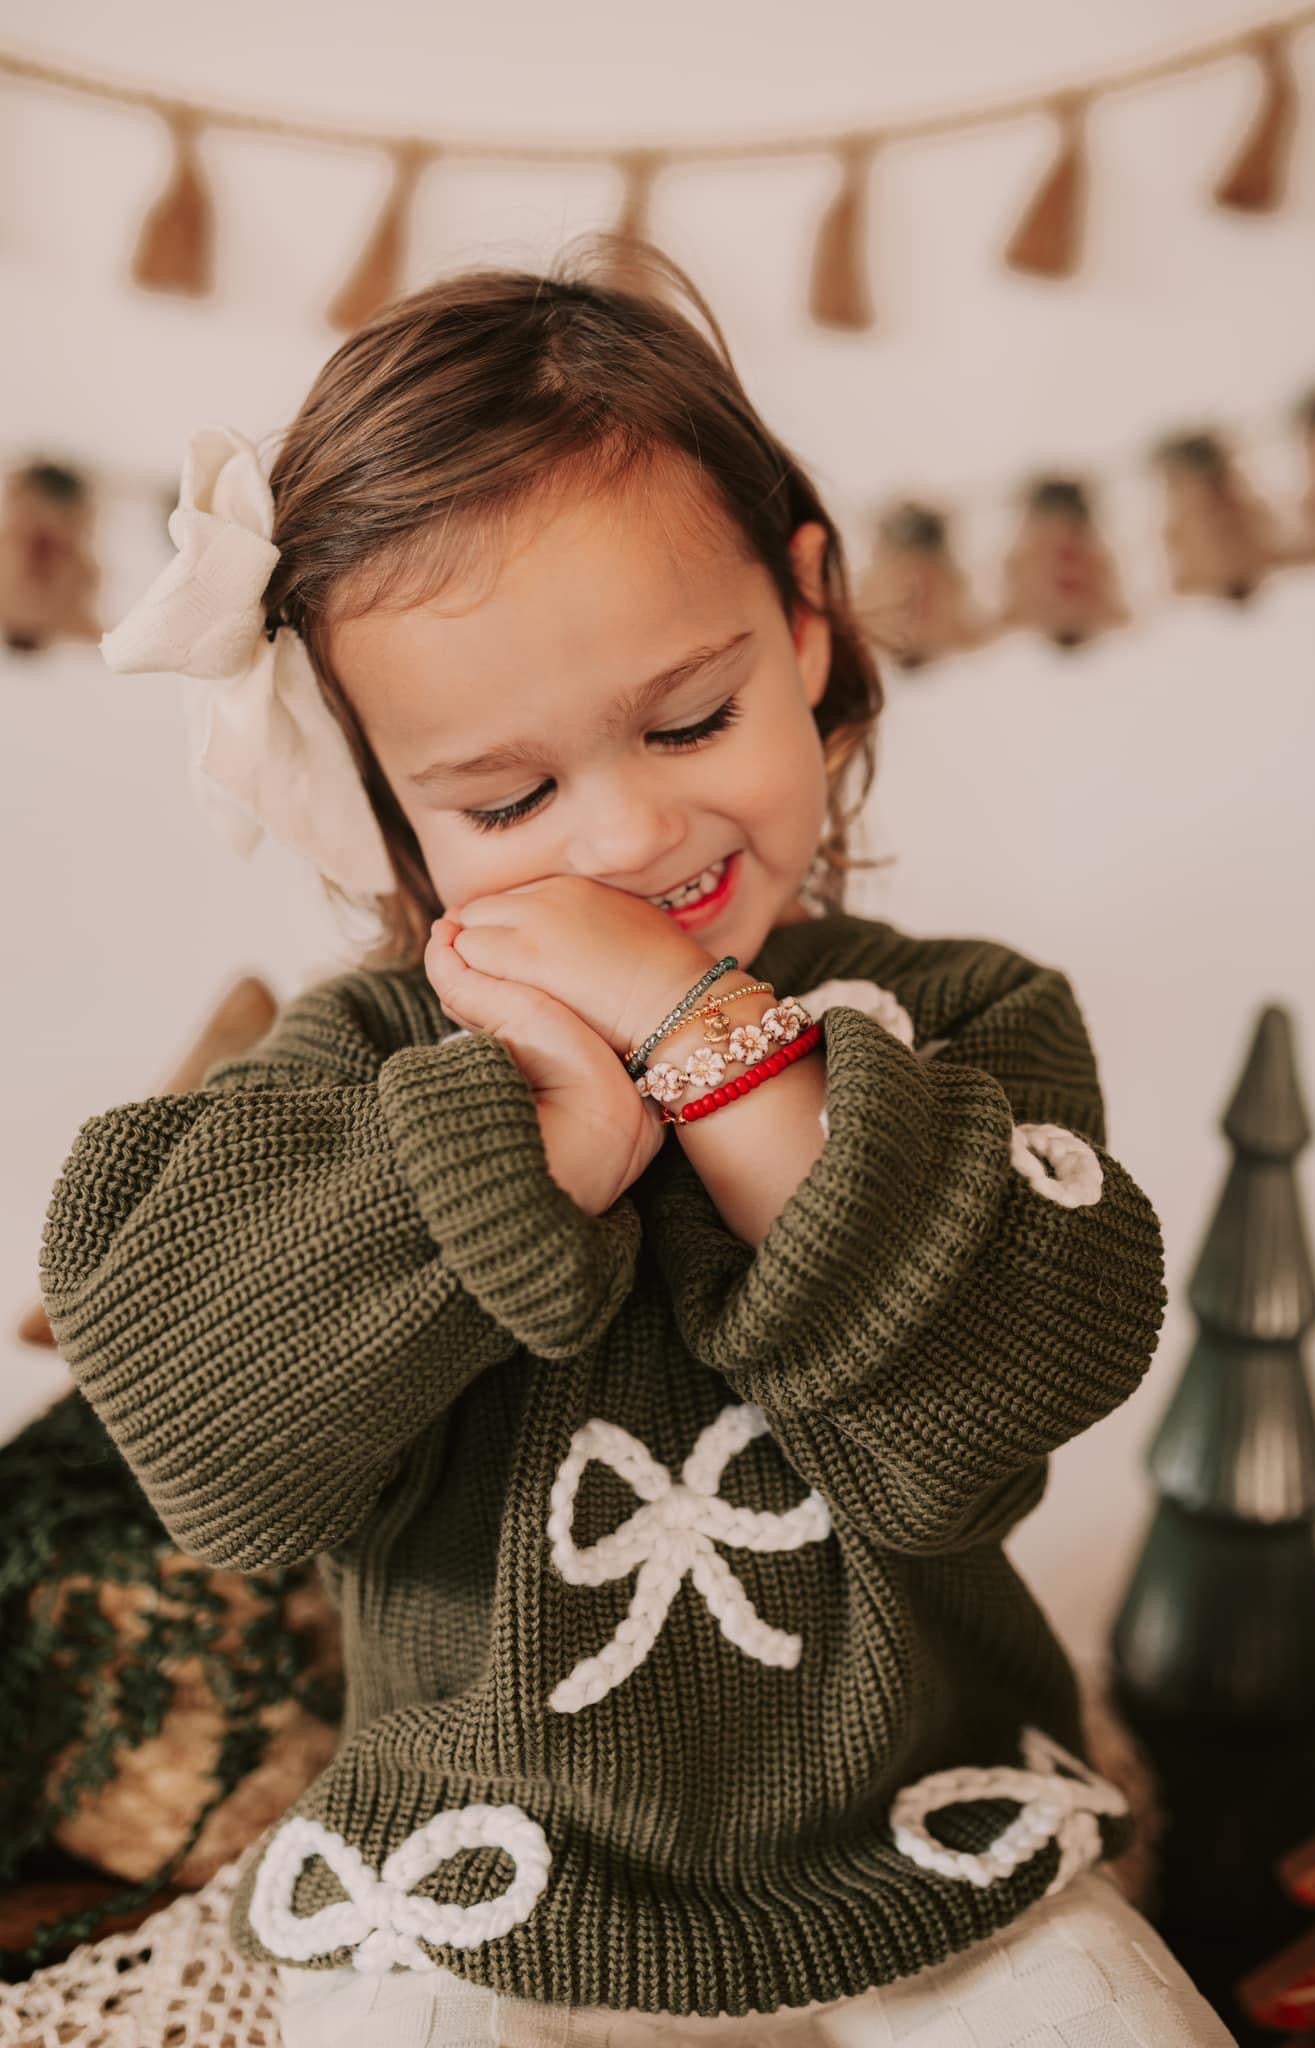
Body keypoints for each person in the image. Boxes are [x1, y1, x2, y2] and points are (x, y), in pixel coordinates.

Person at [39, 236, 1235, 2047]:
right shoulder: (355, 1071)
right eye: (507, 798)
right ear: (378, 801)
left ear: (809, 621)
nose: (624, 832)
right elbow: (213, 1451)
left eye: (692, 717)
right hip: (466, 1875)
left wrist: (713, 1050)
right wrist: (521, 1152)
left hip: (921, 1848)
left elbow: (975, 1435)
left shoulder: (965, 1023)